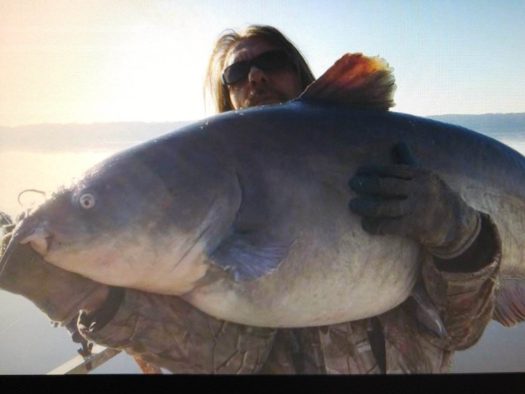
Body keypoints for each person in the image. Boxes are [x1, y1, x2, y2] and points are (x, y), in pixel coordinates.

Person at [0, 25, 501, 374]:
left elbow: (462, 329)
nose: (254, 78)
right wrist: (91, 298)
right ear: (227, 98)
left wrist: (461, 234)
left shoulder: (403, 156)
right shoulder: (194, 223)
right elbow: (229, 361)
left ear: (301, 72)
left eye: (270, 63)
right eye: (236, 75)